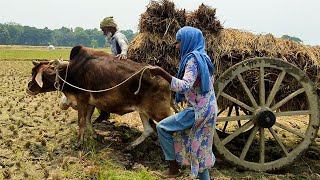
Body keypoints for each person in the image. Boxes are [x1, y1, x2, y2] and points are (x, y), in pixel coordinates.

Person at [149, 26, 217, 180]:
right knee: (201, 148)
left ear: (188, 41)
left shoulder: (193, 59)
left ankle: (173, 169)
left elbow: (185, 85)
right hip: (208, 109)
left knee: (162, 127)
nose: (177, 45)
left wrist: (161, 73)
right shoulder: (204, 57)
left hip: (198, 111)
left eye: (179, 41)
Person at [60, 16, 129, 124]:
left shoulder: (118, 36)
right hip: (114, 66)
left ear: (110, 28)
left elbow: (123, 44)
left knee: (96, 86)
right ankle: (103, 113)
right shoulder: (113, 38)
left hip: (117, 69)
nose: (103, 33)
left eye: (104, 30)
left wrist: (124, 53)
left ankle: (104, 113)